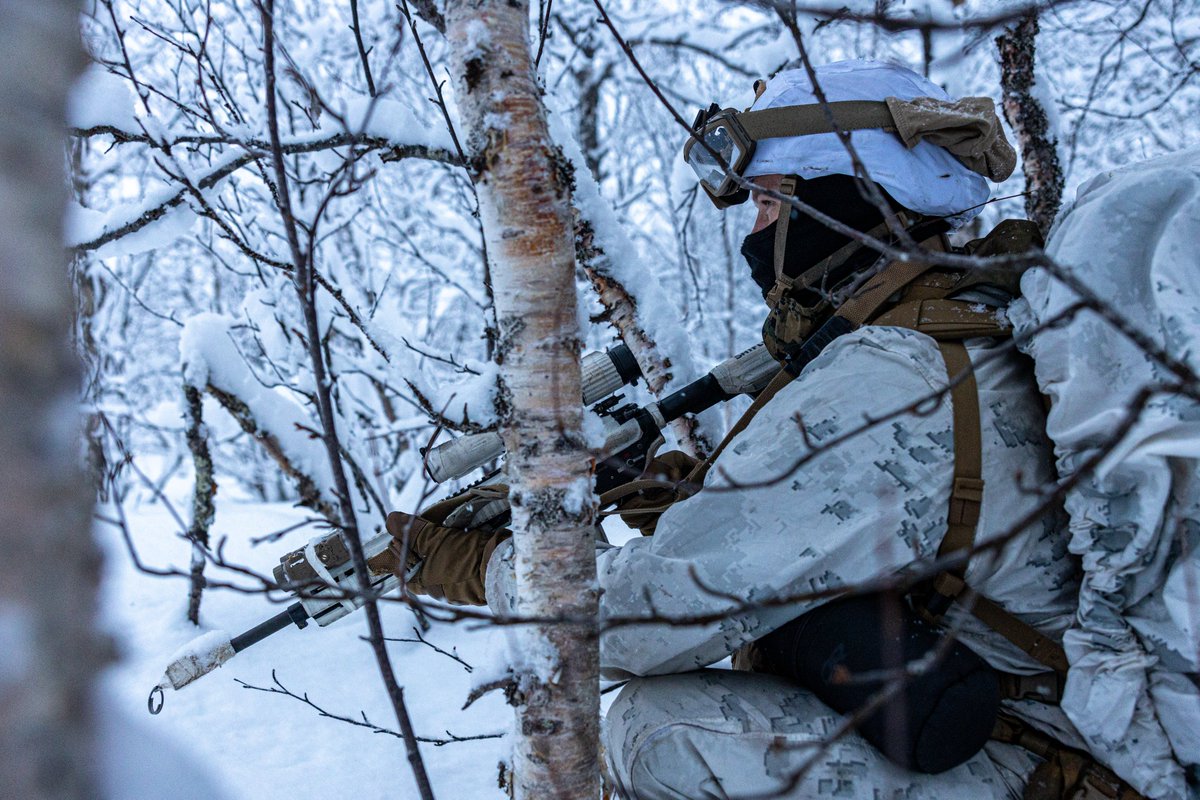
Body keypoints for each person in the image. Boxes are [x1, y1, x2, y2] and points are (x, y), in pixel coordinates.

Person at [384, 60, 1127, 799]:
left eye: (770, 202)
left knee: (663, 733)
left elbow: (643, 623)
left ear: (849, 196)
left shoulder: (890, 376)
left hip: (1051, 769)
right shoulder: (975, 317)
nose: (755, 230)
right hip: (1051, 730)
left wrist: (483, 567)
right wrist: (676, 502)